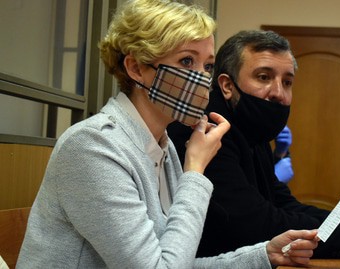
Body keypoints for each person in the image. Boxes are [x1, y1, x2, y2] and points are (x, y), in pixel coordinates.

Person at [16, 2, 319, 268]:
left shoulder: (162, 148)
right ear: (136, 67)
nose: (202, 78)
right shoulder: (92, 147)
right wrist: (195, 172)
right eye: (187, 61)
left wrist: (265, 254)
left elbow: (175, 261)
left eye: (208, 65)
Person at [168, 29, 340, 259]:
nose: (278, 92)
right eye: (263, 77)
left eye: (287, 82)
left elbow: (283, 203)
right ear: (226, 85)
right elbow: (257, 224)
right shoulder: (206, 129)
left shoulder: (250, 129)